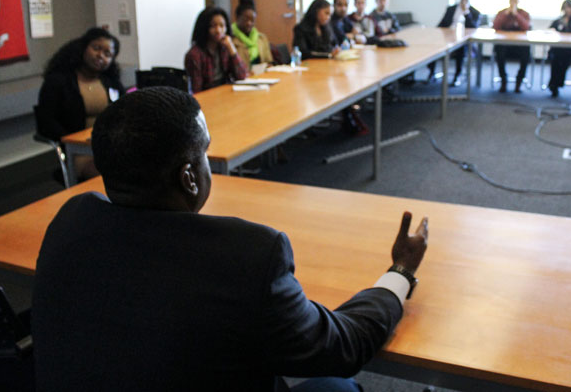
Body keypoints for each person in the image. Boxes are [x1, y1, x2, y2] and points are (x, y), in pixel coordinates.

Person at [32, 86, 429, 392]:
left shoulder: (71, 220)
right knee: (338, 385)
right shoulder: (248, 257)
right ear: (189, 178)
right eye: (204, 152)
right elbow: (342, 346)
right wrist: (399, 272)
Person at [36, 27, 125, 181]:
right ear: (84, 48)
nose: (100, 56)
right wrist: (72, 139)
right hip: (78, 151)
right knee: (115, 176)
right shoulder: (59, 81)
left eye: (107, 54)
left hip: (111, 147)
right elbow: (46, 121)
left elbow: (124, 111)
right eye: (96, 48)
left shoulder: (111, 82)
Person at [185, 6, 248, 93]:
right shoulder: (194, 55)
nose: (218, 30)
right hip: (208, 98)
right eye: (213, 26)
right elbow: (197, 91)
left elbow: (242, 76)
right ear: (204, 27)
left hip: (226, 94)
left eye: (222, 26)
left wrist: (231, 48)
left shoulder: (225, 48)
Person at [429, 0, 482, 84]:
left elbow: (473, 27)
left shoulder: (475, 12)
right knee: (433, 45)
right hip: (448, 37)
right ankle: (431, 72)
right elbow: (441, 24)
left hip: (464, 40)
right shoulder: (451, 9)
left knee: (460, 49)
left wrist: (466, 12)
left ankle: (457, 75)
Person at [492, 0, 531, 93]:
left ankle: (519, 81)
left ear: (518, 1)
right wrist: (506, 14)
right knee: (499, 49)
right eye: (511, 0)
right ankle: (503, 80)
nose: (513, 2)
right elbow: (495, 26)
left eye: (515, 0)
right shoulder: (502, 13)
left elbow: (526, 27)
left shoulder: (524, 14)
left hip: (519, 45)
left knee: (526, 52)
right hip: (505, 45)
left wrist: (516, 15)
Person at [232, 0, 275, 70]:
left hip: (262, 77)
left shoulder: (261, 38)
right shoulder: (231, 40)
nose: (249, 23)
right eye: (246, 19)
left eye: (252, 20)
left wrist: (268, 66)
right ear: (237, 17)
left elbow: (269, 61)